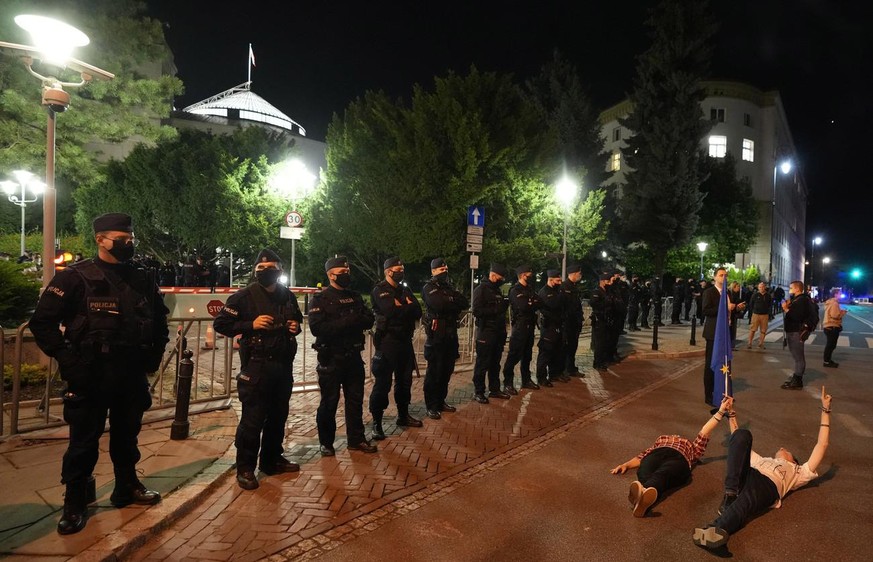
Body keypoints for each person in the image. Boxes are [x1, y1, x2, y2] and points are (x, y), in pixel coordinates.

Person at [29, 213, 169, 535]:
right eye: (121, 240)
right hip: (90, 374)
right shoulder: (74, 278)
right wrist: (68, 360)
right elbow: (42, 324)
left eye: (131, 240)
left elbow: (159, 322)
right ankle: (75, 502)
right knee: (83, 442)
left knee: (127, 436)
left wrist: (154, 356)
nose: (128, 245)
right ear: (100, 239)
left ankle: (126, 486)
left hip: (130, 374)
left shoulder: (142, 279)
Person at [692, 387, 832, 550]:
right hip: (748, 476)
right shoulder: (763, 460)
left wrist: (825, 410)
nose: (781, 447)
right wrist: (731, 412)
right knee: (742, 435)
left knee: (744, 502)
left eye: (785, 449)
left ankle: (715, 529)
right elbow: (738, 442)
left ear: (793, 461)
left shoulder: (799, 471)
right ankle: (730, 494)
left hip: (768, 486)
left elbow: (822, 445)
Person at [213, 249, 303, 490]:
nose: (266, 272)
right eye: (261, 269)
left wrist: (295, 327)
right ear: (255, 272)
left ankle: (271, 460)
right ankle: (245, 468)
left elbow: (297, 321)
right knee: (253, 420)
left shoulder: (287, 296)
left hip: (283, 366)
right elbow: (221, 324)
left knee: (278, 417)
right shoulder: (243, 297)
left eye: (271, 268)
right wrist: (250, 324)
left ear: (280, 270)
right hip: (257, 365)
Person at [611, 395, 734, 517]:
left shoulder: (692, 446)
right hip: (657, 452)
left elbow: (705, 431)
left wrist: (721, 411)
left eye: (677, 436)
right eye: (673, 436)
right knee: (644, 470)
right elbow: (642, 456)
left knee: (663, 474)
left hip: (680, 457)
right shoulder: (660, 440)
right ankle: (643, 497)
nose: (675, 436)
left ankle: (641, 495)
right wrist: (625, 464)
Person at [309, 256, 377, 455]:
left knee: (355, 401)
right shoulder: (320, 299)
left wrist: (345, 322)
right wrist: (349, 321)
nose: (346, 276)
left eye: (347, 272)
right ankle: (326, 443)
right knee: (329, 402)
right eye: (342, 273)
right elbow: (317, 328)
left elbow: (368, 319)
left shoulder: (355, 296)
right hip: (331, 358)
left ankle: (356, 439)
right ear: (331, 275)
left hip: (353, 356)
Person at [368, 257, 423, 440]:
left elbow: (418, 311)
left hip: (405, 342)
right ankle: (377, 422)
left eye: (402, 268)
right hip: (387, 342)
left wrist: (403, 307)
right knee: (382, 384)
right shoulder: (380, 290)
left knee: (404, 382)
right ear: (387, 271)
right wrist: (405, 307)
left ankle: (403, 415)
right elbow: (390, 311)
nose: (400, 271)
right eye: (397, 268)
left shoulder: (404, 289)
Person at [422, 258, 469, 420]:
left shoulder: (448, 287)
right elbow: (438, 305)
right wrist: (451, 300)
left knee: (447, 371)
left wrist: (449, 300)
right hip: (437, 336)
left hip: (450, 334)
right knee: (434, 371)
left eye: (446, 269)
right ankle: (431, 405)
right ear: (433, 271)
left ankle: (441, 401)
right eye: (441, 270)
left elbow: (464, 303)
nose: (444, 272)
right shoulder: (429, 287)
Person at [472, 263, 511, 403]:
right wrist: (496, 310)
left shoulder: (497, 290)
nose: (502, 280)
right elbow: (476, 311)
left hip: (498, 332)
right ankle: (479, 391)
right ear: (493, 275)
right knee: (482, 364)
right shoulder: (481, 289)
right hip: (486, 332)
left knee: (495, 363)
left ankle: (494, 389)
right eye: (501, 277)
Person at [502, 265, 542, 392]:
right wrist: (531, 303)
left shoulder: (530, 289)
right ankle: (508, 382)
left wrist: (531, 302)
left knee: (527, 355)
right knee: (514, 355)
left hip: (530, 326)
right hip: (520, 326)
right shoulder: (515, 290)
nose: (531, 276)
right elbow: (523, 306)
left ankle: (526, 380)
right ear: (522, 275)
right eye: (529, 274)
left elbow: (538, 302)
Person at [702, 268, 734, 409]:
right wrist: (723, 308)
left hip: (725, 333)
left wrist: (734, 308)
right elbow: (706, 310)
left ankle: (722, 391)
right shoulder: (709, 292)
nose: (724, 277)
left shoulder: (727, 293)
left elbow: (729, 311)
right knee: (711, 363)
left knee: (724, 363)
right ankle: (709, 395)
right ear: (715, 277)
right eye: (721, 275)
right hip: (713, 333)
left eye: (725, 275)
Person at [780, 281, 819, 390]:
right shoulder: (799, 299)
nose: (790, 289)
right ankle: (796, 378)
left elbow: (797, 316)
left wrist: (786, 309)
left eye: (791, 287)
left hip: (796, 331)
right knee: (797, 356)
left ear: (797, 289)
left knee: (798, 357)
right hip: (794, 331)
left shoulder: (801, 300)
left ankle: (797, 380)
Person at [536, 270, 567, 386]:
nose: (560, 282)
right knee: (546, 352)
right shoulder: (544, 292)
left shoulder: (557, 291)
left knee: (557, 351)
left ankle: (554, 374)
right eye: (558, 280)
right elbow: (554, 305)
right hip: (548, 326)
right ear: (551, 279)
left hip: (558, 325)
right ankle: (542, 377)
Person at [562, 264, 586, 375]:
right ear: (574, 274)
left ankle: (571, 367)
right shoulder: (564, 287)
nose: (580, 275)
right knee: (567, 346)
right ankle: (566, 368)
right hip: (568, 322)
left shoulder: (574, 287)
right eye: (579, 273)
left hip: (575, 322)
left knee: (573, 346)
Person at [589, 273, 613, 371]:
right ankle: (597, 363)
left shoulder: (606, 291)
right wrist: (607, 302)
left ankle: (601, 361)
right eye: (607, 281)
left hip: (605, 319)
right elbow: (594, 303)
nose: (609, 283)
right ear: (602, 281)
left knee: (604, 342)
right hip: (599, 319)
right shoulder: (597, 292)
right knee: (599, 343)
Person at [822, 289, 847, 368]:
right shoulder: (834, 303)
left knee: (831, 345)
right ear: (835, 294)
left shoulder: (830, 302)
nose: (841, 295)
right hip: (832, 326)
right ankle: (826, 361)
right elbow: (834, 315)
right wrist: (842, 313)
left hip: (828, 326)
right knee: (831, 345)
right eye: (840, 293)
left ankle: (828, 360)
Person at [747, 282, 771, 349]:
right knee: (753, 329)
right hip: (756, 314)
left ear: (765, 287)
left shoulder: (768, 296)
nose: (761, 288)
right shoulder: (755, 295)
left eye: (763, 287)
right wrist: (753, 312)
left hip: (765, 315)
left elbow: (770, 305)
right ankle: (749, 343)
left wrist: (769, 313)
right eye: (760, 287)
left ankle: (761, 343)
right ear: (758, 288)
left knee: (763, 330)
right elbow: (751, 304)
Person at [728, 282, 746, 349]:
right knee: (731, 330)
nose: (739, 288)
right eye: (738, 287)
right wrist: (737, 306)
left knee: (733, 330)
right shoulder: (730, 294)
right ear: (734, 287)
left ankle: (732, 345)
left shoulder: (736, 294)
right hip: (730, 314)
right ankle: (731, 345)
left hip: (734, 314)